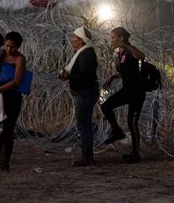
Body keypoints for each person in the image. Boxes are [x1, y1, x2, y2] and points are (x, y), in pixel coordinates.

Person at [101, 27, 145, 163]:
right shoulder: (119, 52)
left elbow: (141, 56)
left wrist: (126, 45)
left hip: (137, 92)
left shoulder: (128, 49)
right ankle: (117, 131)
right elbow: (127, 71)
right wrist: (113, 76)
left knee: (132, 123)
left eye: (113, 37)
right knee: (106, 106)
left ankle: (135, 154)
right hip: (127, 90)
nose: (112, 40)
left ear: (121, 37)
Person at [59, 27, 99, 167]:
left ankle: (87, 158)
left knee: (83, 125)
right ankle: (87, 156)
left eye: (75, 38)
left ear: (81, 40)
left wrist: (68, 76)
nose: (72, 40)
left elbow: (85, 77)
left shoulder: (85, 54)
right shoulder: (84, 53)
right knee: (84, 124)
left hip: (85, 92)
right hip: (85, 92)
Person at [0, 31, 26, 172]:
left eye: (13, 47)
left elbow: (17, 81)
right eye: (7, 46)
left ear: (19, 46)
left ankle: (4, 162)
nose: (9, 49)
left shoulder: (20, 59)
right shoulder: (0, 55)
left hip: (12, 97)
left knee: (7, 130)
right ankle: (3, 149)